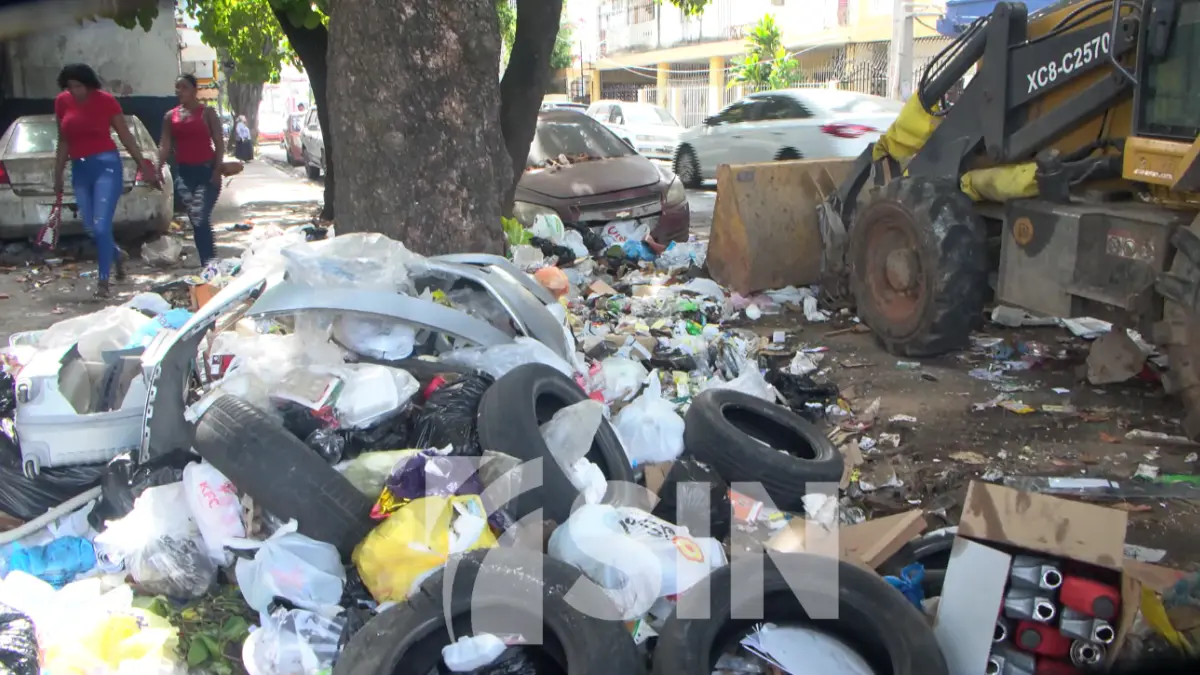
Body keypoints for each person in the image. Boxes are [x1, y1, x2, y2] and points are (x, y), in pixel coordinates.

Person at [53, 63, 157, 298]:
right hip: (79, 169)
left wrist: (144, 165)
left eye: (79, 86)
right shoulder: (62, 102)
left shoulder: (106, 101)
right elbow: (64, 140)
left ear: (89, 85)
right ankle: (116, 254)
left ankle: (103, 282)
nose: (75, 91)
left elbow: (125, 136)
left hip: (106, 166)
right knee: (91, 227)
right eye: (70, 87)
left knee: (101, 225)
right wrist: (57, 173)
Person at [158, 74, 224, 267]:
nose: (179, 91)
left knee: (200, 216)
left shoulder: (207, 113)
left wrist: (217, 171)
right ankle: (209, 265)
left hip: (206, 172)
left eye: (184, 87)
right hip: (184, 176)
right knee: (197, 220)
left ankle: (210, 263)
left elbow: (219, 142)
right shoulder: (171, 116)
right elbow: (165, 145)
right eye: (177, 87)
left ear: (195, 90)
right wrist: (156, 168)